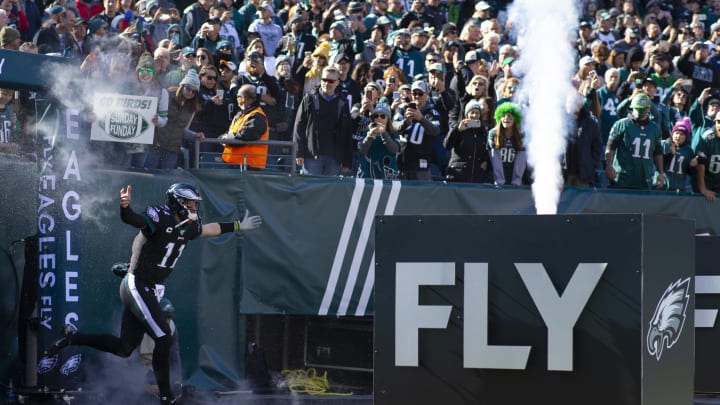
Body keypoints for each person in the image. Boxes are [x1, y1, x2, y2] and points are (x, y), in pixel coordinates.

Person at [45, 183, 262, 405]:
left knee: (125, 348)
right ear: (177, 202)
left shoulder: (188, 225)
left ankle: (72, 337)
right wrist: (125, 207)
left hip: (150, 287)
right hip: (137, 284)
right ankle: (166, 395)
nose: (194, 207)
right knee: (163, 337)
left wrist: (237, 226)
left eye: (195, 203)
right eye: (189, 203)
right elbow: (135, 220)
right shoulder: (160, 216)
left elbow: (209, 229)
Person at [293, 66, 353, 176]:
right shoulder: (310, 98)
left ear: (337, 82)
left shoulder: (342, 103)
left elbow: (347, 132)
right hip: (311, 156)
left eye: (330, 81)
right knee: (311, 190)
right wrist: (298, 152)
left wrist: (347, 160)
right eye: (324, 80)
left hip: (334, 158)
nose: (326, 83)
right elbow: (299, 126)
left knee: (329, 191)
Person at [145, 71, 205, 169]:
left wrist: (195, 135)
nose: (190, 93)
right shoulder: (167, 95)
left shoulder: (192, 108)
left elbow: (184, 130)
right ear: (182, 86)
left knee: (166, 179)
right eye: (188, 88)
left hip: (173, 149)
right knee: (149, 173)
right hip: (156, 145)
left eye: (194, 91)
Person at [605, 93, 666, 190]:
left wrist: (661, 173)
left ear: (649, 109)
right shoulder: (622, 124)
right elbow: (610, 147)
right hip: (623, 178)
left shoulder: (655, 129)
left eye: (643, 109)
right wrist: (609, 165)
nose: (640, 112)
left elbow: (657, 152)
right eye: (638, 109)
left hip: (644, 179)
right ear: (632, 107)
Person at [393, 80, 441, 181]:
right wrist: (406, 122)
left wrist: (421, 119)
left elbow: (436, 131)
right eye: (414, 93)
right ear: (411, 94)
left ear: (427, 94)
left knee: (422, 195)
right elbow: (394, 127)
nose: (417, 96)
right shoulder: (403, 108)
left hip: (421, 166)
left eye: (420, 93)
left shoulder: (432, 112)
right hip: (402, 163)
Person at [220, 84, 269, 169]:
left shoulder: (257, 116)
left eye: (238, 96)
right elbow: (232, 132)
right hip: (234, 164)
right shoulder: (241, 114)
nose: (236, 99)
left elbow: (246, 136)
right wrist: (223, 137)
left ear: (243, 98)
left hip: (248, 166)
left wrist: (227, 139)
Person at [444, 100, 491, 183]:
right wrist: (457, 130)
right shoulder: (458, 128)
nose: (474, 115)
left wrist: (486, 161)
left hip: (476, 176)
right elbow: (447, 145)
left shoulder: (483, 132)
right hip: (457, 175)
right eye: (472, 112)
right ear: (466, 114)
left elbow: (486, 150)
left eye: (477, 113)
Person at [564, 93, 603, 187]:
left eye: (573, 102)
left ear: (580, 104)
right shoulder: (560, 122)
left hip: (583, 175)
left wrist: (590, 166)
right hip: (563, 175)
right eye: (568, 103)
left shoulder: (591, 123)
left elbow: (597, 147)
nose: (569, 105)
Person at [357, 102, 400, 179]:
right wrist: (370, 136)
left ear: (388, 119)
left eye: (382, 116)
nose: (379, 118)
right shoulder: (365, 132)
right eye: (376, 116)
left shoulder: (393, 133)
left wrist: (384, 134)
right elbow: (362, 150)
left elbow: (394, 149)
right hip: (367, 175)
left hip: (387, 176)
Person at [488, 102, 527, 186]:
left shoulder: (521, 136)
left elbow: (521, 159)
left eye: (509, 116)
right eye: (503, 116)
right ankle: (499, 179)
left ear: (515, 119)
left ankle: (517, 180)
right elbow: (492, 156)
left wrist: (516, 180)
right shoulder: (493, 134)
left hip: (513, 176)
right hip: (496, 179)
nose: (506, 118)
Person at [660, 117, 696, 192]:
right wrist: (670, 154)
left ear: (686, 137)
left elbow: (689, 172)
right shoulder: (665, 144)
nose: (678, 136)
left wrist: (692, 166)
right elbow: (658, 164)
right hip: (663, 186)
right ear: (672, 134)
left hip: (678, 188)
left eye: (682, 134)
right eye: (676, 133)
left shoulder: (688, 151)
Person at [697, 112, 720, 202]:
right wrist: (703, 189)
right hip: (707, 182)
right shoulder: (707, 138)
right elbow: (700, 164)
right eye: (718, 122)